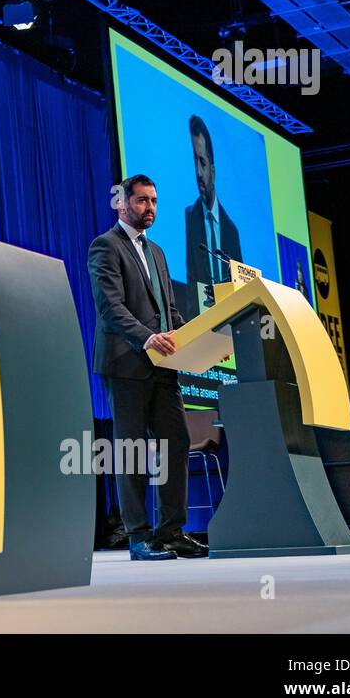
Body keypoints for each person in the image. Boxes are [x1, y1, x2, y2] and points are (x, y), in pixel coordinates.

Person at [87, 174, 208, 561]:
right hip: (126, 364)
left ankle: (171, 532)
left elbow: (170, 312)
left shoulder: (157, 252)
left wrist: (198, 343)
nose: (149, 207)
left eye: (154, 200)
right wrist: (147, 337)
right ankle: (139, 537)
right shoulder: (105, 247)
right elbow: (111, 307)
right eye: (141, 200)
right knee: (133, 450)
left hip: (163, 366)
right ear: (122, 204)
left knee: (177, 442)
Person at [184, 115, 242, 316]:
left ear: (213, 171)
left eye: (203, 162)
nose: (198, 172)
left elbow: (242, 288)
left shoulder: (231, 230)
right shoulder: (189, 218)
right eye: (194, 161)